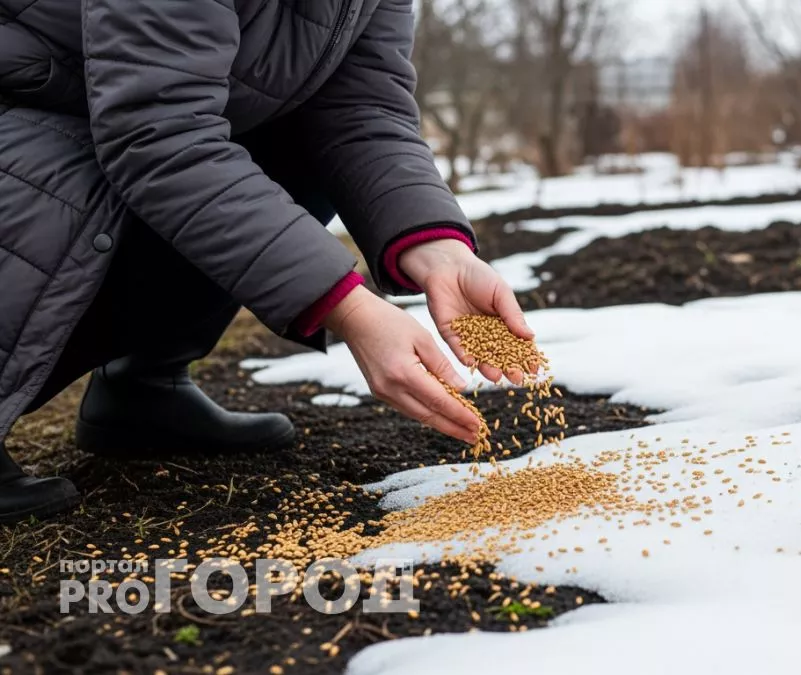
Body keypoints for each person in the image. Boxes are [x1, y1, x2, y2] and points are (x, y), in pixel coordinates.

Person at [0, 0, 533, 524]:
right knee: (91, 168)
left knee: (292, 131)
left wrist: (438, 250)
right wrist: (348, 307)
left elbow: (362, 111)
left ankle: (143, 386)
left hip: (111, 133)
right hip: (31, 136)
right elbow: (158, 134)